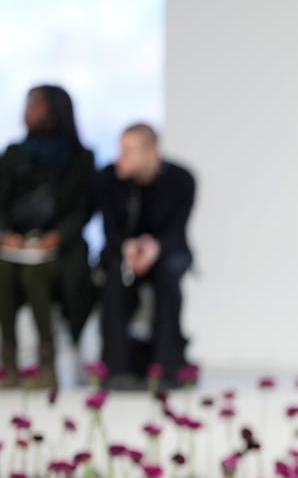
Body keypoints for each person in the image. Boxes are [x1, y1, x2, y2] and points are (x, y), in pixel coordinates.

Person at [0, 85, 96, 389]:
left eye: (34, 105)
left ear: (54, 111)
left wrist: (57, 236)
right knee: (3, 271)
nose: (26, 111)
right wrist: (6, 234)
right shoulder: (14, 155)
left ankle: (46, 359)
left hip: (60, 251)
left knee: (33, 275)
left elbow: (83, 209)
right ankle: (10, 360)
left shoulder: (81, 159)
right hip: (15, 247)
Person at [96, 121, 196, 390]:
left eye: (129, 150)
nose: (121, 157)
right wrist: (128, 248)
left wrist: (155, 248)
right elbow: (110, 230)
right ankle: (116, 369)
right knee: (115, 281)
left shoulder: (181, 180)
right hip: (122, 252)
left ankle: (167, 367)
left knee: (167, 279)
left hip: (165, 251)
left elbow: (177, 229)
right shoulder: (108, 179)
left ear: (151, 153)